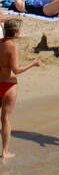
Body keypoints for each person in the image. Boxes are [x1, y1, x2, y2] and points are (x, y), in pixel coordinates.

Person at [0, 19, 41, 159]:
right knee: (5, 118)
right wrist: (33, 64)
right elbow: (16, 70)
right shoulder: (12, 47)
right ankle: (4, 151)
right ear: (16, 32)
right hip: (9, 84)